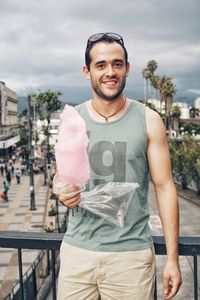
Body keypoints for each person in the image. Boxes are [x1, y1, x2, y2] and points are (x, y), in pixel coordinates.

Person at [57, 33, 182, 300]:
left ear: (127, 68)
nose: (110, 72)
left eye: (117, 64)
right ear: (87, 71)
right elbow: (63, 177)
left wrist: (172, 258)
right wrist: (62, 192)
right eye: (100, 65)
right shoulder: (72, 120)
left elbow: (165, 187)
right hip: (77, 254)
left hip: (131, 257)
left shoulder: (149, 120)